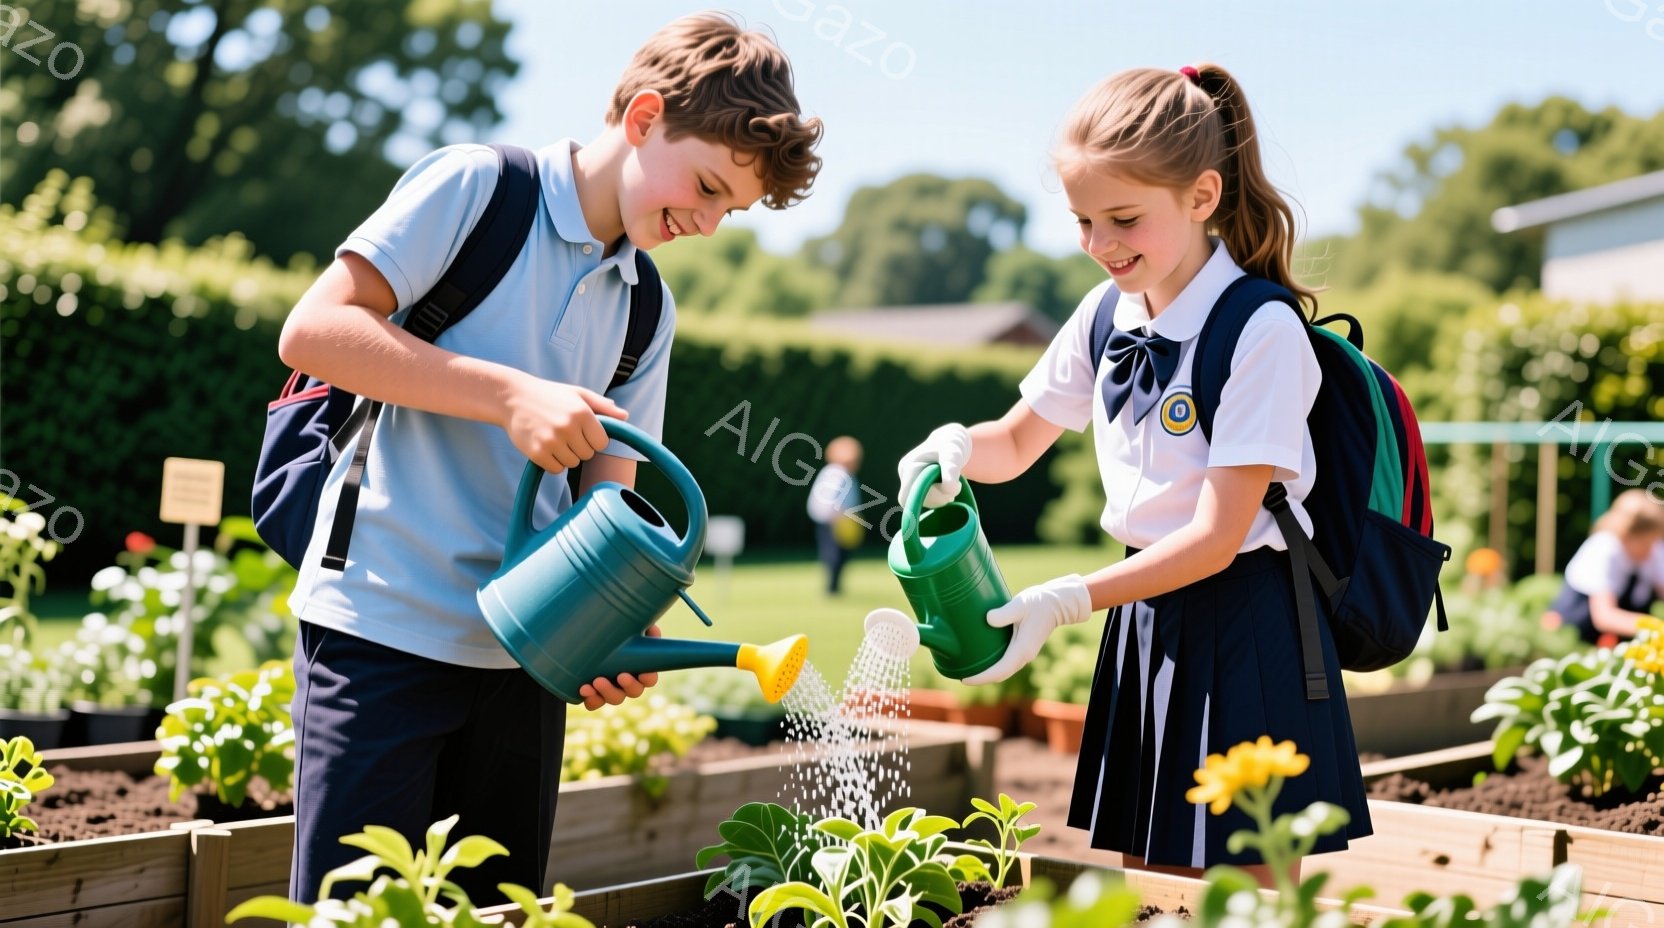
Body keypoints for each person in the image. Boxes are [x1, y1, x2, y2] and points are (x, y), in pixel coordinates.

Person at [276, 13, 822, 904]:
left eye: (733, 208)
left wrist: (614, 617)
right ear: (644, 117)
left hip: (523, 664)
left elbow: (609, 497)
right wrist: (509, 396)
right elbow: (313, 332)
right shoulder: (479, 189)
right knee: (351, 916)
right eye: (709, 186)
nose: (713, 222)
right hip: (379, 628)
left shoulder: (647, 305)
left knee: (501, 915)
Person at [897, 64, 1369, 885]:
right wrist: (959, 448)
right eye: (1083, 221)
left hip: (1247, 619)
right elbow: (1016, 441)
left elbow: (1218, 538)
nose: (1100, 245)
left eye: (1123, 218)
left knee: (1249, 889)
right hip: (1142, 617)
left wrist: (1064, 600)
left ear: (1201, 196)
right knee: (1146, 881)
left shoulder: (1260, 331)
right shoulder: (1104, 313)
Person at [1543, 489, 1664, 647]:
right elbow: (1604, 617)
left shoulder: (1653, 550)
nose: (1650, 549)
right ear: (1626, 534)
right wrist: (1655, 627)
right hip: (1577, 638)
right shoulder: (1605, 548)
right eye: (1645, 543)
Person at [807, 436, 863, 594]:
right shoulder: (838, 474)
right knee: (834, 557)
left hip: (836, 521)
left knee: (838, 557)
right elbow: (831, 501)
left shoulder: (836, 473)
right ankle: (832, 588)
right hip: (834, 522)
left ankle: (834, 587)